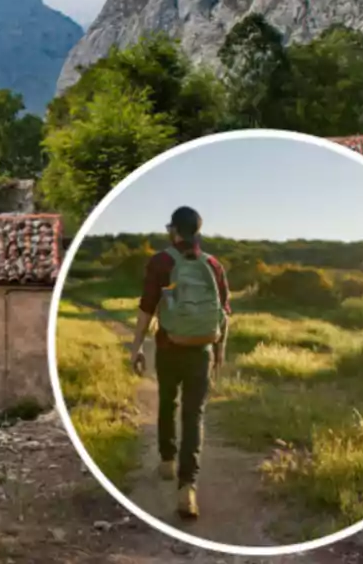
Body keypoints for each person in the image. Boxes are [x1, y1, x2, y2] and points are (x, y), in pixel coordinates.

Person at [129, 206, 230, 521]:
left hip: (169, 346)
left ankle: (167, 460)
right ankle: (188, 487)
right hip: (202, 349)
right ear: (197, 231)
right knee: (194, 415)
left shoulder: (161, 262)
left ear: (173, 230)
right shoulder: (213, 265)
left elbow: (148, 306)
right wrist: (219, 353)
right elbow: (224, 314)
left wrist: (136, 348)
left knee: (167, 402)